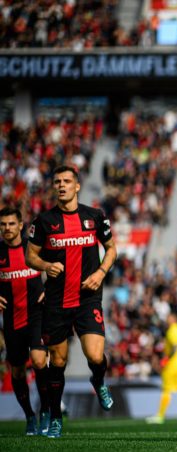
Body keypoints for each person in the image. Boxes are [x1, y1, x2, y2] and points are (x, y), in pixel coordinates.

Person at [26, 165, 118, 438]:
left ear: (77, 186)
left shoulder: (95, 216)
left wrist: (101, 273)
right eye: (57, 182)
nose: (62, 185)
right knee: (59, 361)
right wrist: (45, 264)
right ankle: (55, 417)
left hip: (88, 298)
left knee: (95, 355)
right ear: (53, 187)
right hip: (56, 301)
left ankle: (98, 380)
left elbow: (112, 249)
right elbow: (31, 256)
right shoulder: (43, 222)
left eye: (67, 181)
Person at [0, 206, 50, 435]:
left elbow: (62, 265)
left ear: (21, 225)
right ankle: (30, 415)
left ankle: (46, 411)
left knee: (39, 361)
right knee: (18, 372)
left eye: (11, 224)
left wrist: (49, 290)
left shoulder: (34, 247)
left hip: (37, 315)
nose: (7, 228)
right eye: (3, 225)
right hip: (12, 319)